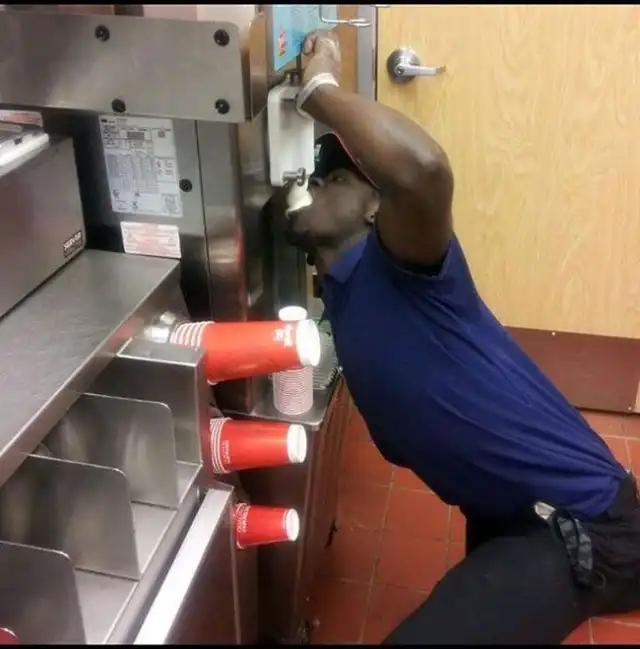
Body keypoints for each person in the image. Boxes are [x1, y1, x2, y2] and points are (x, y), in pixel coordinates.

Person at [269, 29, 640, 644]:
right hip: (507, 512)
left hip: (584, 523)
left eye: (338, 180)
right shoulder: (341, 292)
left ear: (376, 211)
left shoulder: (406, 271)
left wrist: (320, 87)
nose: (319, 182)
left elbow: (423, 170)